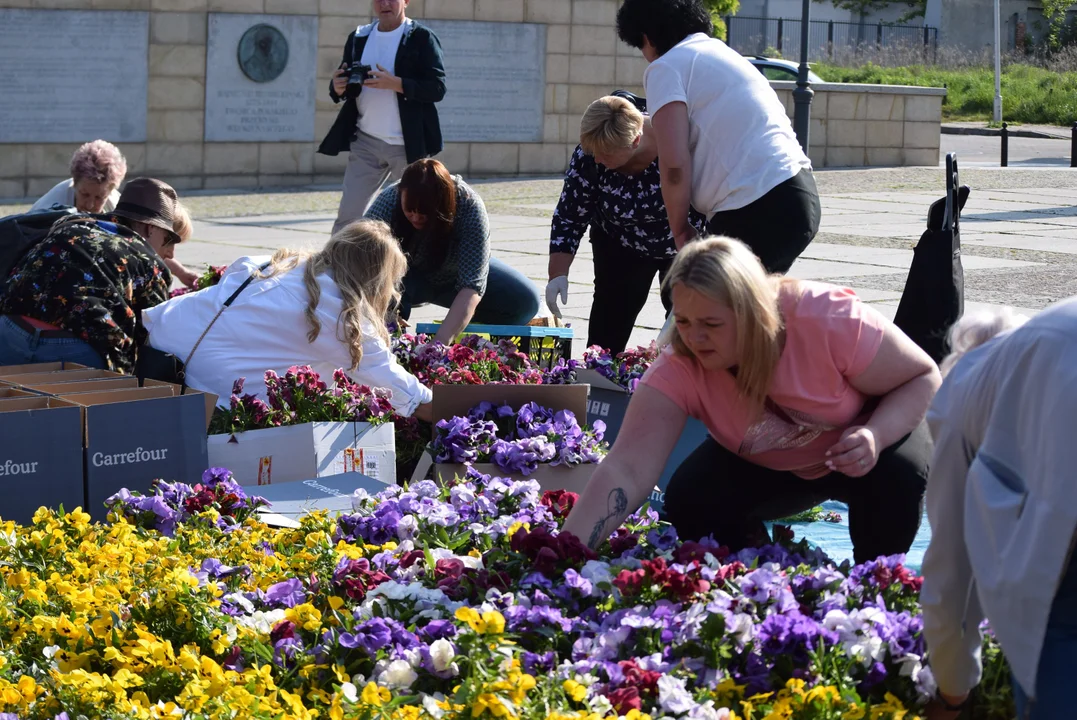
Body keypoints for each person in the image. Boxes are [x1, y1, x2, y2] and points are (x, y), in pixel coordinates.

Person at [561, 237, 941, 563]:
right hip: (774, 468)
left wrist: (876, 434)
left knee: (898, 477)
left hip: (867, 450)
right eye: (685, 321)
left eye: (711, 324)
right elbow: (626, 468)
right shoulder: (679, 365)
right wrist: (566, 550)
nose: (695, 339)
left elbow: (922, 376)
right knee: (691, 500)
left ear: (752, 313)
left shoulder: (824, 316)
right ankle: (755, 579)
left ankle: (875, 590)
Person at [920, 306, 1076, 720]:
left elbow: (950, 568)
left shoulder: (961, 395)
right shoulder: (1040, 346)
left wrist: (953, 689)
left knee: (1058, 632)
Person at [142, 219, 433, 421]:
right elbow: (405, 392)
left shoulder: (278, 263)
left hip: (157, 351)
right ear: (375, 279)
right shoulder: (339, 312)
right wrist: (460, 414)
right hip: (205, 397)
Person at [615, 0, 820, 273]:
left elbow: (674, 164)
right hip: (798, 192)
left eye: (640, 46)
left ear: (646, 36)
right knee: (751, 306)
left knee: (695, 296)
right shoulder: (722, 53)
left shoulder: (666, 67)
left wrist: (680, 231)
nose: (645, 56)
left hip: (754, 204)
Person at [546, 95, 705, 355]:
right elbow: (570, 214)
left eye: (605, 155)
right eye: (592, 153)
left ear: (635, 141)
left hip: (684, 246)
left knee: (688, 334)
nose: (597, 160)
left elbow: (715, 204)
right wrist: (558, 274)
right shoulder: (591, 155)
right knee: (607, 330)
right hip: (619, 243)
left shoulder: (681, 144)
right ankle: (600, 387)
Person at [0, 178, 191, 373]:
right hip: (73, 352)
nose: (171, 253)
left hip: (9, 333)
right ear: (151, 228)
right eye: (168, 239)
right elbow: (155, 334)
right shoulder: (149, 262)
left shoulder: (70, 224)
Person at [365, 158, 541, 346]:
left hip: (454, 275)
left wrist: (439, 343)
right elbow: (356, 255)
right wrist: (382, 311)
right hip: (406, 277)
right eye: (410, 210)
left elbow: (472, 286)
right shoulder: (390, 197)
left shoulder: (469, 205)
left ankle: (470, 338)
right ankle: (389, 344)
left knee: (525, 301)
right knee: (379, 283)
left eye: (424, 212)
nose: (415, 217)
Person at [319, 0, 446, 235]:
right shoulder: (359, 37)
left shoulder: (421, 38)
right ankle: (337, 268)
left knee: (416, 215)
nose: (384, 4)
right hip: (366, 141)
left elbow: (437, 88)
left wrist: (397, 84)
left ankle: (418, 267)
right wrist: (336, 88)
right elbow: (346, 81)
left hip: (407, 146)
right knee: (348, 217)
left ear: (406, 1)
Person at [29, 139, 200, 288]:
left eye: (99, 197)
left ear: (111, 190)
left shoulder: (118, 204)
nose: (90, 204)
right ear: (74, 182)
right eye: (84, 194)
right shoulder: (50, 207)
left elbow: (146, 244)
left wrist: (181, 272)